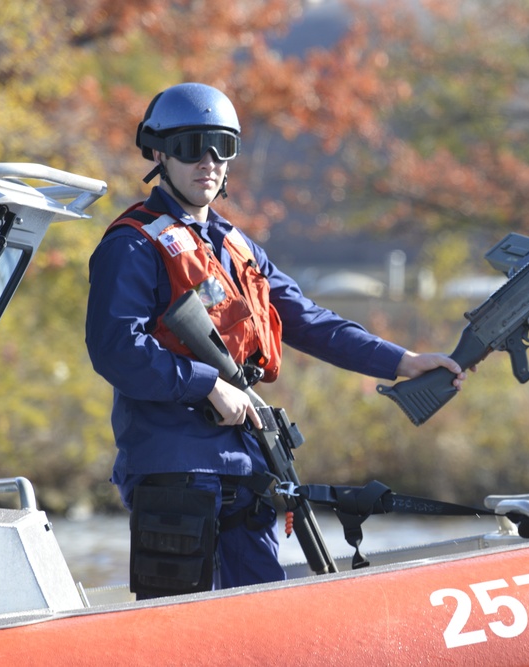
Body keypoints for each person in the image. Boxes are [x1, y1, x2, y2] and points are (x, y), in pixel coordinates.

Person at [85, 82, 466, 598]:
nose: (210, 162)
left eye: (223, 146)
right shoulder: (131, 244)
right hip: (174, 468)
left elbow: (309, 320)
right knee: (179, 632)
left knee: (259, 619)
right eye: (191, 146)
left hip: (250, 469)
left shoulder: (236, 245)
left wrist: (403, 361)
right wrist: (206, 386)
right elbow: (115, 348)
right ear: (158, 152)